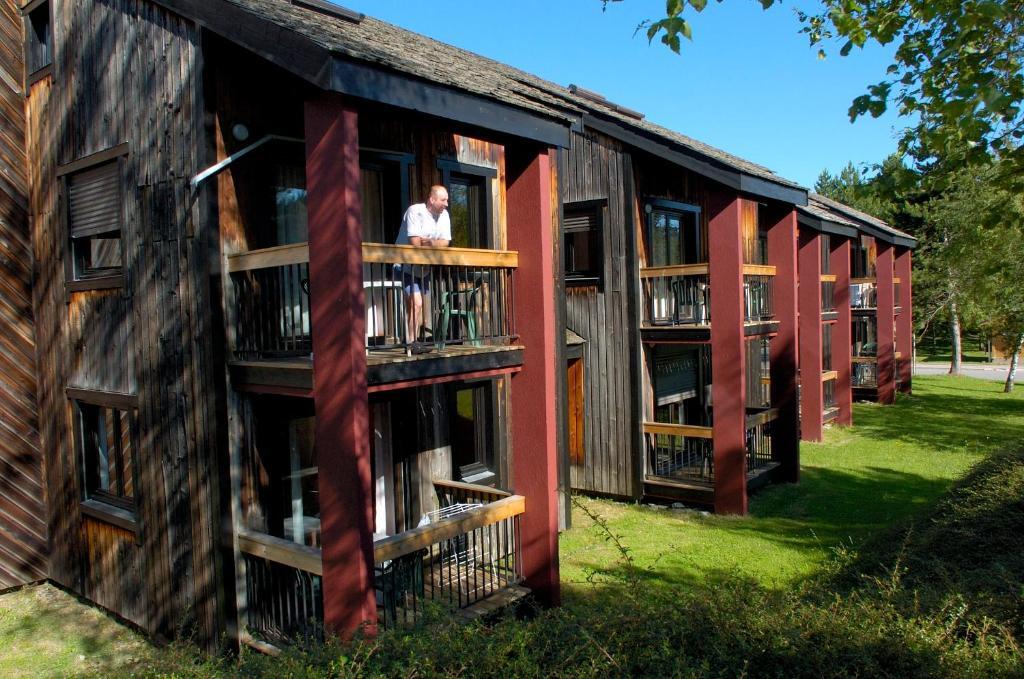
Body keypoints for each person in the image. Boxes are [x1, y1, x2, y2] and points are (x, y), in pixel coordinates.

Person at [396, 185, 450, 353]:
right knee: (416, 304)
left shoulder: (444, 215)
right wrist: (433, 243)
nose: (447, 204)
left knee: (415, 307)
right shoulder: (415, 211)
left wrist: (431, 242)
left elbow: (446, 242)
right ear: (432, 200)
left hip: (423, 267)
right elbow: (415, 242)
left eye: (447, 200)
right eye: (443, 200)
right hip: (405, 264)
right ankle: (412, 343)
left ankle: (411, 343)